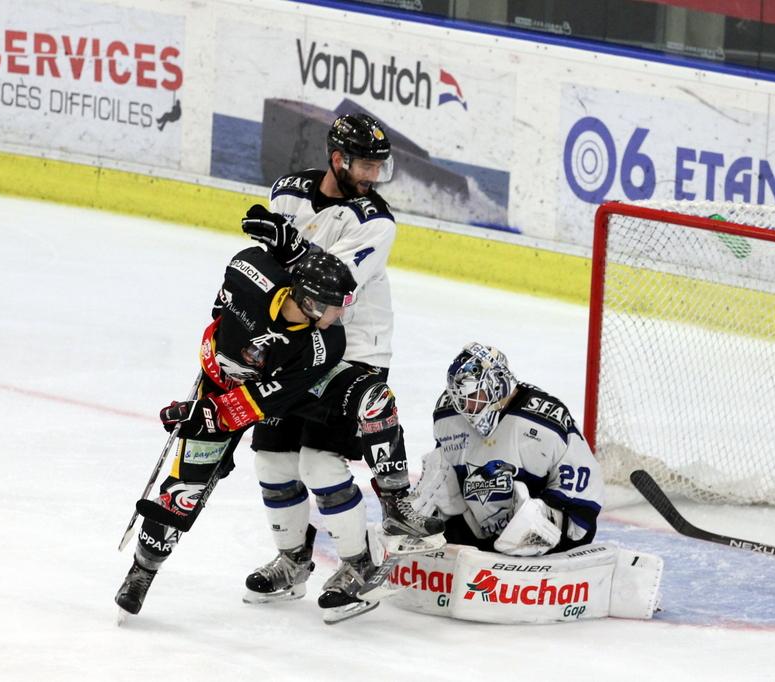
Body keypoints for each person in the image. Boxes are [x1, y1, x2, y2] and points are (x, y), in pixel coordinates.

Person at [239, 113, 442, 622]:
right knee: (272, 460)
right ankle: (293, 560)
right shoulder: (288, 192)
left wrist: (286, 243)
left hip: (355, 352)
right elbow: (276, 279)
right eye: (366, 166)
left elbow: (331, 286)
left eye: (379, 167)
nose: (374, 176)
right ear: (337, 159)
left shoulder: (376, 221)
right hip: (297, 348)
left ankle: (360, 565)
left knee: (320, 463)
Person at [115, 247, 355, 615]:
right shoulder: (249, 270)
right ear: (310, 302)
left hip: (276, 398)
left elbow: (264, 399)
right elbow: (221, 311)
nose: (342, 314)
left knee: (292, 456)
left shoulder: (327, 343)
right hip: (219, 384)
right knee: (185, 489)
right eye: (336, 305)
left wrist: (207, 415)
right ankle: (142, 571)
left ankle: (346, 552)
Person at [412, 342, 604, 556]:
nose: (467, 408)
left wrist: (545, 516)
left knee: (531, 515)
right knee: (435, 479)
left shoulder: (545, 421)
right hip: (481, 534)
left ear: (497, 385)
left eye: (474, 396)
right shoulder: (449, 415)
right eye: (460, 400)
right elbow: (445, 473)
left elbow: (585, 496)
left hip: (549, 541)